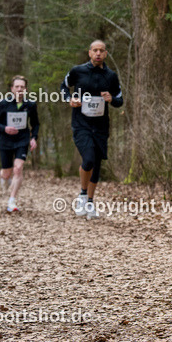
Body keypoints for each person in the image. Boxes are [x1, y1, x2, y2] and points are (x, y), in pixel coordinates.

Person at [60, 40, 124, 219]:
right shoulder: (77, 71)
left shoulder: (111, 76)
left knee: (96, 164)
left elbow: (120, 100)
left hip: (101, 127)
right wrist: (69, 99)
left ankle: (89, 202)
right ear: (89, 53)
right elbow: (63, 87)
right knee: (88, 159)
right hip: (81, 124)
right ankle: (82, 195)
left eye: (101, 51)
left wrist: (111, 99)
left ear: (106, 54)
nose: (98, 53)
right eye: (95, 50)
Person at [0, 76, 39, 213]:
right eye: (17, 87)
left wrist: (34, 138)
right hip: (6, 141)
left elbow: (35, 124)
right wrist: (5, 128)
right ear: (12, 89)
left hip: (22, 140)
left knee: (18, 168)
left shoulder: (30, 105)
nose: (19, 89)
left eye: (22, 87)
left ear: (26, 89)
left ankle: (12, 201)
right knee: (7, 173)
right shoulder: (3, 104)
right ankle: (4, 177)